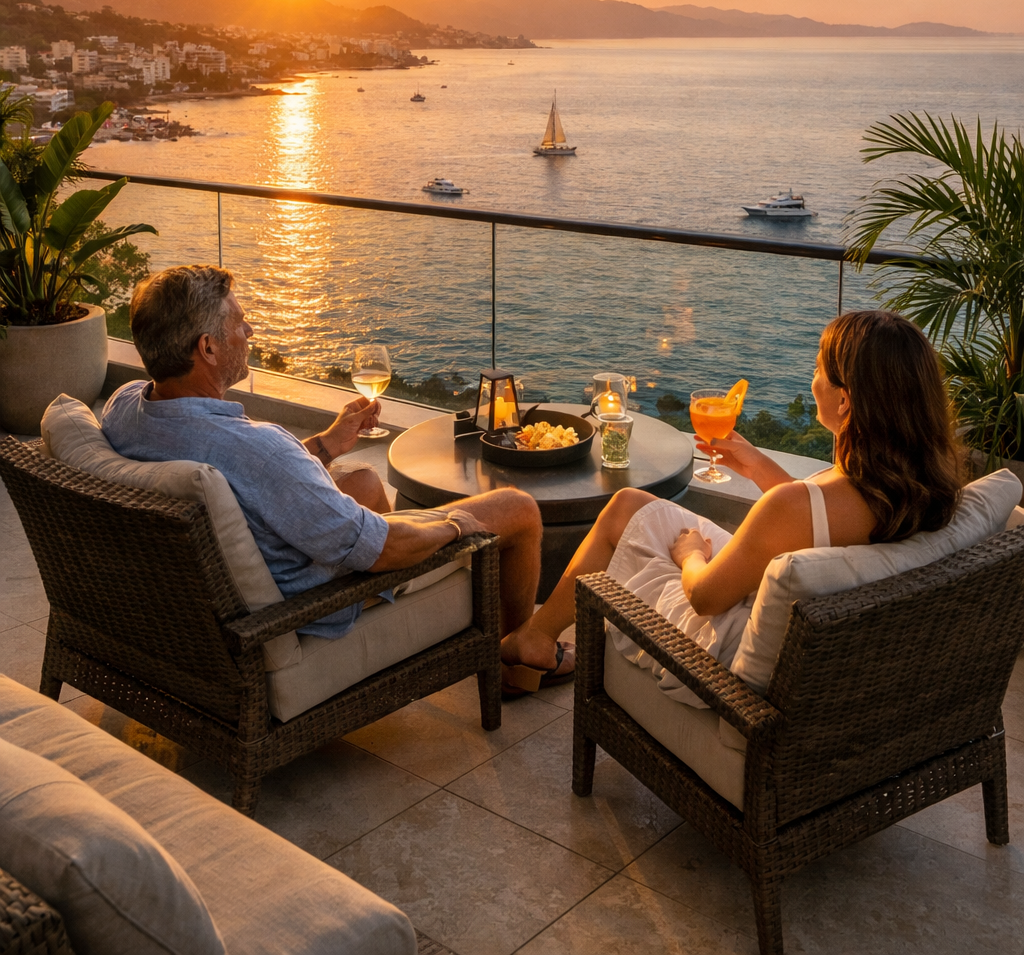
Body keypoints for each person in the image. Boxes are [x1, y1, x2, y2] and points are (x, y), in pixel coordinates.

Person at [499, 310, 966, 696]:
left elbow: (704, 597)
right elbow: (820, 523)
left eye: (819, 370)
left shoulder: (791, 507)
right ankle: (536, 638)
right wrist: (759, 467)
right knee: (628, 505)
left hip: (730, 643)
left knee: (631, 525)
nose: (812, 379)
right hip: (825, 644)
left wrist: (691, 554)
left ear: (844, 402)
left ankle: (534, 641)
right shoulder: (929, 488)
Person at [104, 265, 545, 654]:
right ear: (208, 349)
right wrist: (454, 526)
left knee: (366, 483)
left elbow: (261, 478)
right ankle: (512, 655)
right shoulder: (259, 449)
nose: (250, 333)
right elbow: (382, 548)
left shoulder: (125, 407)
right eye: (239, 324)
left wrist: (328, 445)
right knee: (518, 509)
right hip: (308, 604)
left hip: (213, 587)